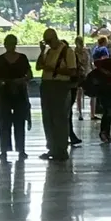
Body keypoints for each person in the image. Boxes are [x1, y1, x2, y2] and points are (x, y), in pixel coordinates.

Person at [36, 28, 77, 161]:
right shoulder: (48, 52)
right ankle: (52, 148)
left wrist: (53, 69)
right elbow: (38, 66)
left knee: (60, 119)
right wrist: (42, 51)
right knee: (48, 119)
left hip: (60, 86)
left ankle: (61, 149)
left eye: (49, 41)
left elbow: (72, 71)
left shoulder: (67, 51)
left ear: (55, 38)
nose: (48, 44)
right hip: (47, 85)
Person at [0, 34, 33, 159]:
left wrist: (2, 82)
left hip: (9, 92)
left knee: (8, 122)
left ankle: (7, 150)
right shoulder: (21, 59)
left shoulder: (0, 60)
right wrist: (20, 80)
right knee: (13, 122)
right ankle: (18, 150)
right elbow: (29, 75)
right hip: (13, 92)